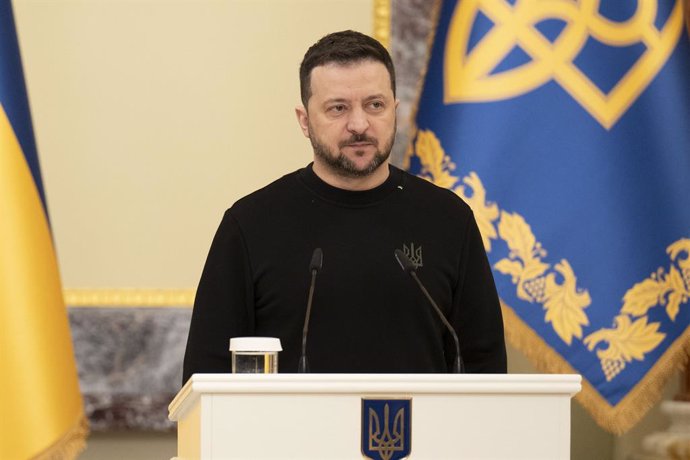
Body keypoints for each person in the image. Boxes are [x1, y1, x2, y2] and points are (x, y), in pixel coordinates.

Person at [182, 30, 506, 383]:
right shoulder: (250, 225)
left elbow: (484, 365)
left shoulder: (449, 219)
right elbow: (206, 376)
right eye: (338, 108)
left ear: (395, 110)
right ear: (304, 120)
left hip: (424, 437)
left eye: (375, 105)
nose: (359, 124)